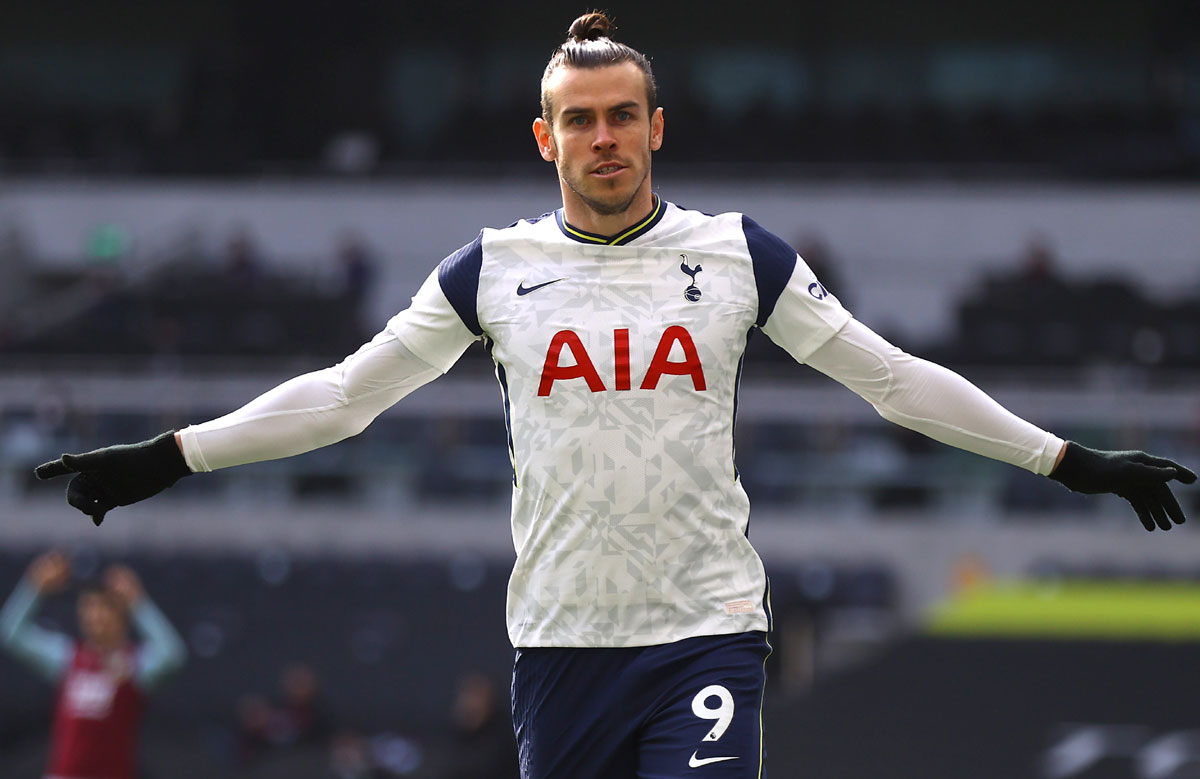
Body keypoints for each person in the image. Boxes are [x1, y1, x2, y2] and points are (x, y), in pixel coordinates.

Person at [33, 13, 1195, 778]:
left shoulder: (740, 256)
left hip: (705, 630)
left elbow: (890, 378)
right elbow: (343, 398)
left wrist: (1070, 458)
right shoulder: (491, 268)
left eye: (622, 116)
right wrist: (169, 455)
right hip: (561, 641)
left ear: (655, 126)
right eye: (579, 120)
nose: (604, 138)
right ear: (546, 137)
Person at [0, 550, 187, 779]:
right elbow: (11, 633)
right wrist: (34, 587)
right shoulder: (69, 658)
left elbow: (173, 654)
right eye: (88, 607)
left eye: (103, 607)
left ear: (121, 613)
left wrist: (140, 602)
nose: (94, 616)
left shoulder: (135, 664)